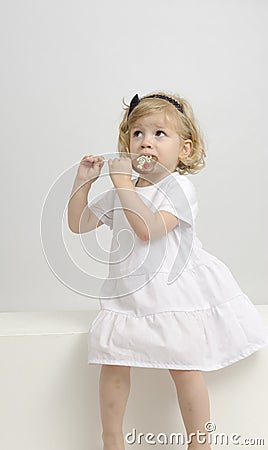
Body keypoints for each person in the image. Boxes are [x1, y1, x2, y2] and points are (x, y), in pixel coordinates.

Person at [67, 92, 268, 450]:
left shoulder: (179, 189)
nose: (146, 142)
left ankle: (199, 442)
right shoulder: (121, 191)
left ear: (184, 150)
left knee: (185, 367)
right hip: (128, 294)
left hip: (174, 294)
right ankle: (111, 440)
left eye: (159, 134)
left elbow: (147, 229)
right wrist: (84, 182)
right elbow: (78, 223)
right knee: (113, 362)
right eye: (137, 133)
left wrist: (123, 185)